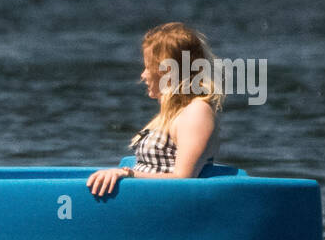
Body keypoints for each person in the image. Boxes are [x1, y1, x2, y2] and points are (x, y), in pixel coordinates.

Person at [86, 22, 224, 198]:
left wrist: (127, 174)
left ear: (166, 71)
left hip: (165, 204)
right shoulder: (173, 113)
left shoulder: (196, 112)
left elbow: (183, 179)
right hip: (144, 201)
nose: (143, 75)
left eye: (147, 66)